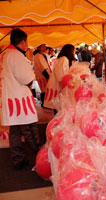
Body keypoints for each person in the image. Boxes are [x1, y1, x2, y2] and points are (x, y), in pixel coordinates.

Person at [0, 29, 40, 169]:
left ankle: (18, 160)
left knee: (15, 132)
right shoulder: (16, 55)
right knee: (30, 130)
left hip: (8, 99)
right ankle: (41, 158)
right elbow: (27, 77)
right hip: (19, 100)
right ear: (23, 42)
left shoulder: (4, 54)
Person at [44, 44, 76, 110]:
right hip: (58, 85)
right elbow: (60, 74)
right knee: (58, 107)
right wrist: (67, 82)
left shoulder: (63, 59)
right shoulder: (64, 59)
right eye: (74, 51)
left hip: (59, 85)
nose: (74, 52)